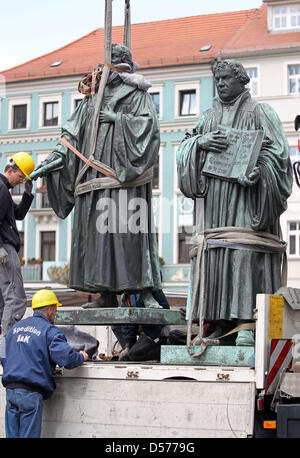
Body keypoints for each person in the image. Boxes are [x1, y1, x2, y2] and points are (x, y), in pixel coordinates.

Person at [31, 43, 162, 309]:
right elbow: (69, 136)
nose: (102, 69)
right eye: (102, 63)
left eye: (108, 64)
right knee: (98, 242)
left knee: (128, 235)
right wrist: (53, 160)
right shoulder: (91, 99)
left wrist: (116, 118)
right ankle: (104, 295)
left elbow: (150, 129)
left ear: (120, 67)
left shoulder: (138, 95)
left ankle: (146, 293)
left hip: (126, 183)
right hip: (93, 183)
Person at [176, 58, 293, 346]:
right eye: (217, 79)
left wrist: (259, 171)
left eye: (226, 78)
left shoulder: (261, 113)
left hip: (246, 200)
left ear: (242, 81)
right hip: (214, 205)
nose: (220, 84)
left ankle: (247, 322)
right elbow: (185, 147)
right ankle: (219, 322)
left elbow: (279, 156)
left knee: (242, 254)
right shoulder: (206, 118)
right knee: (215, 257)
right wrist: (199, 144)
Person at [0, 289, 89, 438]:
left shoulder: (14, 329)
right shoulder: (49, 330)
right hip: (30, 394)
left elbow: (2, 353)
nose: (55, 313)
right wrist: (81, 356)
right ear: (49, 310)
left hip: (11, 392)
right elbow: (66, 358)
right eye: (55, 309)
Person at [0, 152, 35, 336]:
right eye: (20, 177)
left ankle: (2, 349)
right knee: (16, 299)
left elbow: (18, 214)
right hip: (5, 249)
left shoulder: (4, 191)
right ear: (9, 170)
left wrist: (28, 194)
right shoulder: (1, 189)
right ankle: (7, 346)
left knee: (3, 302)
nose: (21, 181)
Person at [117, 289, 170, 361]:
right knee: (129, 355)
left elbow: (165, 310)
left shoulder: (155, 290)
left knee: (133, 355)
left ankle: (161, 349)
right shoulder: (127, 296)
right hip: (144, 332)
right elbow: (128, 324)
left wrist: (154, 337)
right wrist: (128, 346)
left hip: (157, 333)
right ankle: (134, 350)